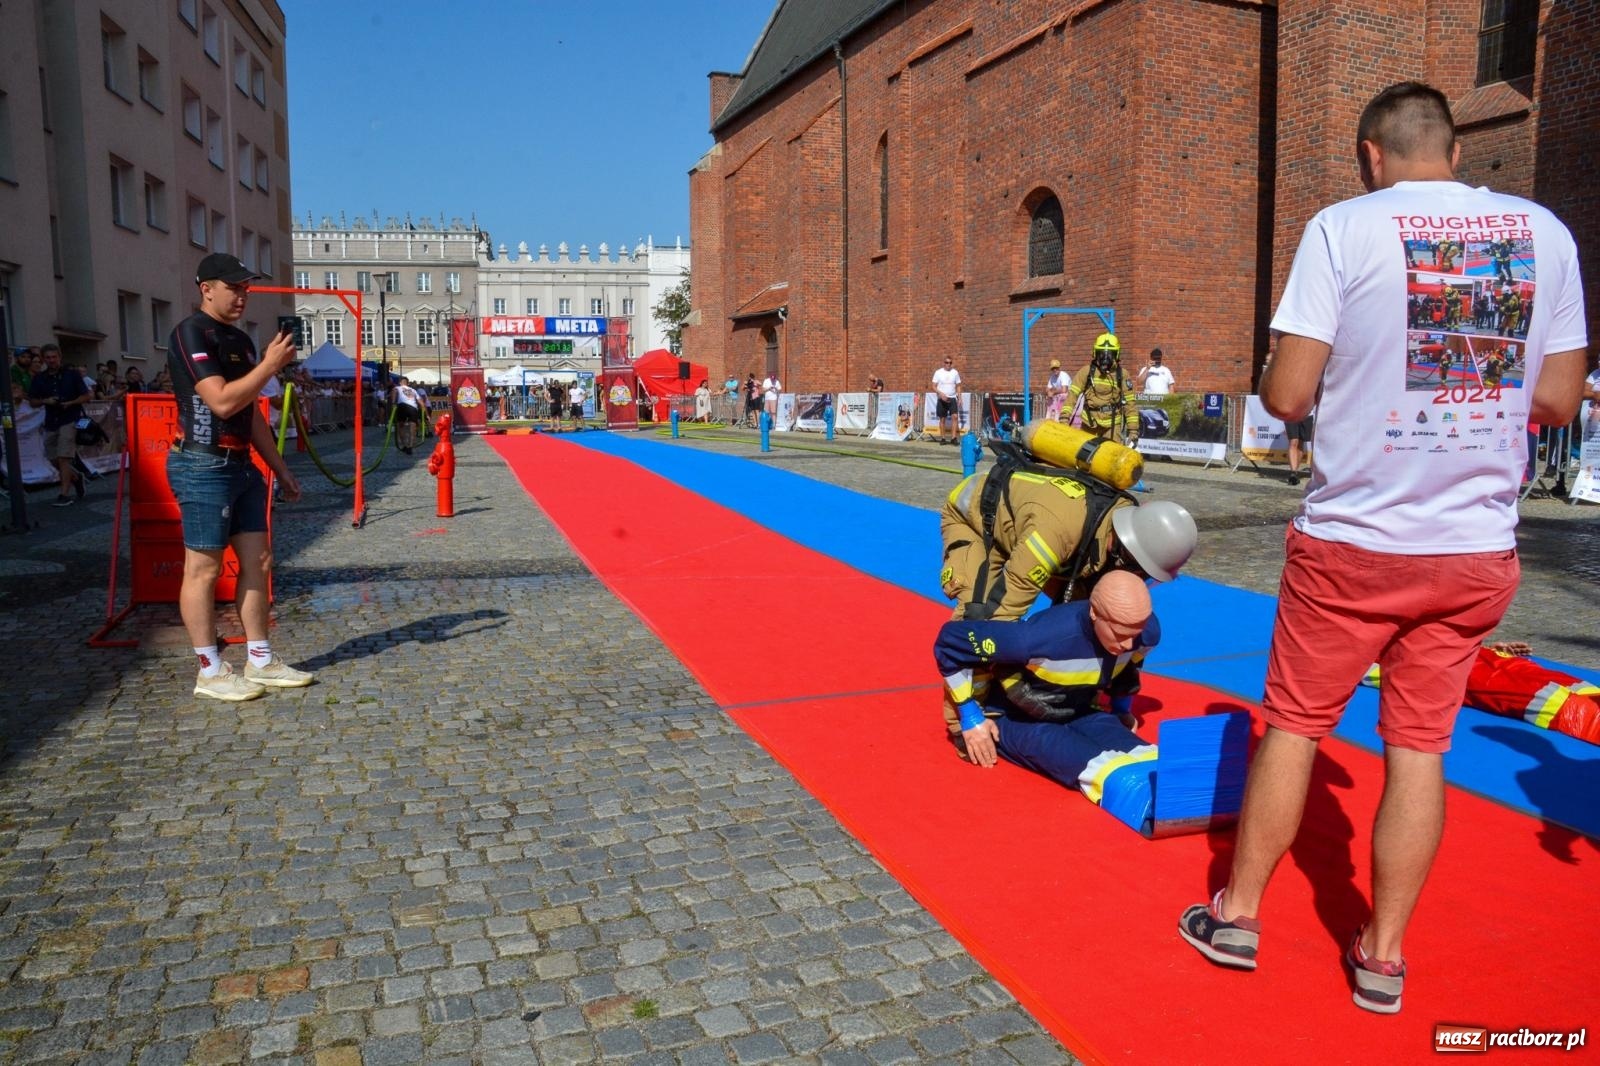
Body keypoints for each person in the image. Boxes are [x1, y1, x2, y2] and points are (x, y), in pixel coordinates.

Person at [1176, 82, 1587, 1015]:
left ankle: (1238, 916)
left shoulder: (1342, 228)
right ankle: (1383, 956)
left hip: (1355, 539)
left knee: (1293, 725)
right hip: (1474, 545)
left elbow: (1285, 397)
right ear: (1454, 146)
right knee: (1420, 749)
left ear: (1372, 154)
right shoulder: (1544, 235)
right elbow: (1559, 402)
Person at [938, 452, 1197, 747]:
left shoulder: (1125, 525)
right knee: (980, 613)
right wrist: (1006, 693)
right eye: (1142, 573)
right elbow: (999, 619)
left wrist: (1116, 701)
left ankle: (1077, 695)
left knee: (1098, 617)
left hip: (1040, 529)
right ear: (1127, 552)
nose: (1141, 581)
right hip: (975, 520)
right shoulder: (1055, 535)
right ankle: (963, 726)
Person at [166, 252, 312, 701]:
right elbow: (223, 402)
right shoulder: (191, 332)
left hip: (241, 463)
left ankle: (261, 659)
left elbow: (249, 415)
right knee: (204, 569)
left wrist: (281, 469)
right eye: (234, 287)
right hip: (202, 463)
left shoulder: (241, 342)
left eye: (247, 287)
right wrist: (269, 366)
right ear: (206, 288)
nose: (243, 295)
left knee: (259, 563)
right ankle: (209, 670)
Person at [933, 570, 1162, 802]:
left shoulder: (1146, 633)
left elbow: (1127, 672)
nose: (1128, 643)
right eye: (1119, 633)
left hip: (1078, 709)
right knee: (1100, 768)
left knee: (1154, 762)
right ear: (1094, 613)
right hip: (1018, 716)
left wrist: (1121, 708)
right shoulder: (1036, 639)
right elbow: (949, 642)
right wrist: (970, 716)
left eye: (1136, 633)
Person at [27, 344, 92, 506]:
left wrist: (71, 403)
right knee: (52, 457)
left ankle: (64, 494)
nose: (51, 360)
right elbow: (32, 401)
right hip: (51, 420)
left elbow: (86, 395)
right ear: (43, 359)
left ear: (59, 357)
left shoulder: (72, 375)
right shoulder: (39, 378)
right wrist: (45, 401)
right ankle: (75, 477)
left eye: (54, 357)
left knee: (64, 457)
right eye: (48, 358)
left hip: (69, 418)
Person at [1068, 334, 1138, 446]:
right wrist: (1064, 419)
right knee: (1084, 456)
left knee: (1111, 457)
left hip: (1112, 425)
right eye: (1102, 353)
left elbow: (1130, 404)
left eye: (1110, 354)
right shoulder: (1086, 372)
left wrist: (1133, 430)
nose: (1105, 358)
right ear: (1095, 353)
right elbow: (1071, 396)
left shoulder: (1122, 374)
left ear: (1116, 355)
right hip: (1089, 423)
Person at [931, 356, 962, 444]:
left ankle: (953, 438)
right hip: (942, 399)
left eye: (950, 363)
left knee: (955, 417)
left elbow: (958, 386)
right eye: (946, 362)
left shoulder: (955, 372)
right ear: (943, 363)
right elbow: (933, 386)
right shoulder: (938, 372)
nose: (948, 364)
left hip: (952, 398)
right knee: (942, 419)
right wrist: (941, 394)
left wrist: (960, 398)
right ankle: (943, 438)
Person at [392, 375, 423, 454]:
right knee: (412, 427)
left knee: (400, 426)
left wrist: (393, 403)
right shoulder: (413, 390)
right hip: (413, 408)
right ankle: (410, 446)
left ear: (400, 382)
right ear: (407, 383)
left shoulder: (398, 388)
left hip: (402, 406)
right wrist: (426, 413)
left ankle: (405, 445)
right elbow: (420, 401)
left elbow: (394, 392)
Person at [1283, 412, 1313, 486]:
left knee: (1300, 442)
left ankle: (1295, 472)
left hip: (1307, 414)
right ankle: (1293, 472)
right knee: (1293, 441)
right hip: (1290, 414)